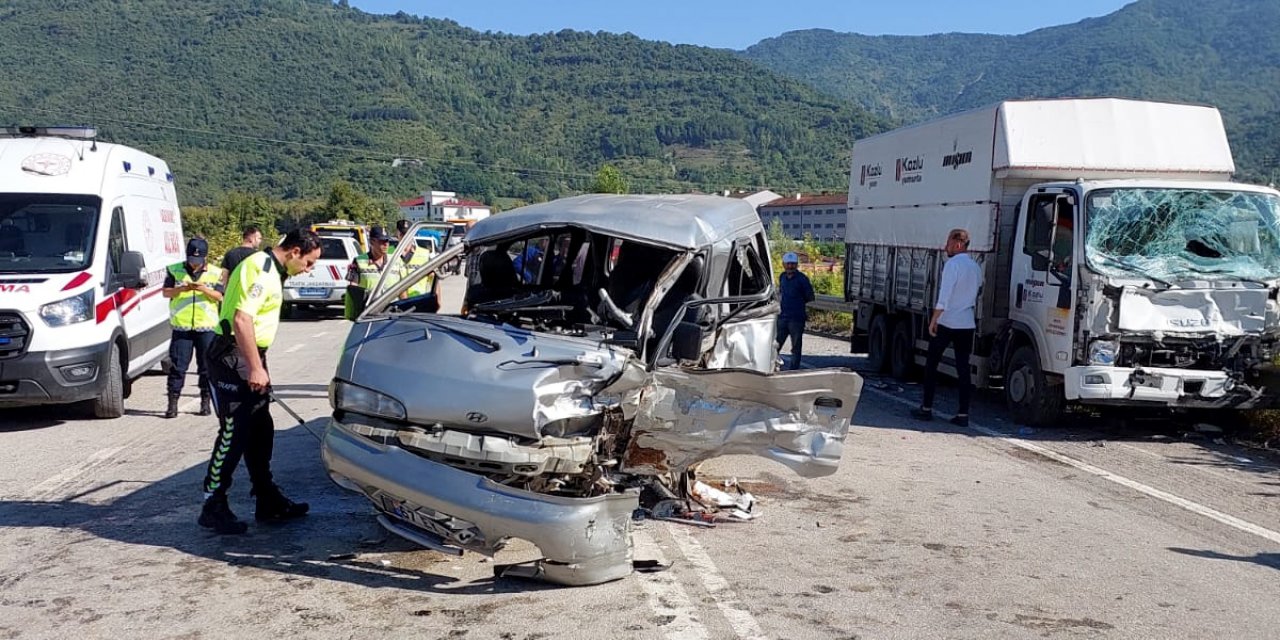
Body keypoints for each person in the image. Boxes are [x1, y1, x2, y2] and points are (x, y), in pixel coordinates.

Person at [197, 229, 322, 535]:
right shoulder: (262, 269)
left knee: (260, 428)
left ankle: (266, 497)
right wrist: (254, 367)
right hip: (232, 356)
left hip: (250, 354)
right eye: (308, 262)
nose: (310, 269)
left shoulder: (272, 270)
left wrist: (258, 363)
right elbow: (241, 319)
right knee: (234, 431)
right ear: (293, 251)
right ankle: (212, 503)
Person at [912, 229, 982, 427]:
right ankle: (963, 414)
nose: (946, 247)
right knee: (963, 368)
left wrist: (934, 319)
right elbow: (978, 290)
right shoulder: (976, 267)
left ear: (958, 243)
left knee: (932, 364)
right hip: (967, 323)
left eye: (949, 243)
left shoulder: (952, 265)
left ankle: (926, 408)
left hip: (948, 321)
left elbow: (944, 296)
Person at [161, 238, 224, 419]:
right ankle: (172, 404)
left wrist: (204, 289)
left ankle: (205, 402)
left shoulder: (216, 272)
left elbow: (220, 296)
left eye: (198, 261)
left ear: (205, 258)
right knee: (177, 366)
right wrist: (181, 289)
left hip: (206, 327)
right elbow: (166, 292)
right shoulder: (175, 269)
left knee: (205, 367)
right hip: (182, 327)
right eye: (191, 259)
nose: (194, 264)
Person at [343, 225, 394, 320]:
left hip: (393, 313)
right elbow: (353, 289)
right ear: (372, 242)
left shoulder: (395, 260)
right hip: (369, 313)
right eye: (382, 241)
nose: (386, 244)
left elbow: (403, 288)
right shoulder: (359, 261)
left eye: (387, 241)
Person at [775, 252, 815, 371]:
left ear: (796, 265)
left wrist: (797, 303)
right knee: (775, 345)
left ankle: (794, 370)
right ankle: (770, 366)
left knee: (796, 347)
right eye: (788, 264)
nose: (790, 266)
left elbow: (810, 296)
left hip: (796, 319)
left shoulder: (802, 279)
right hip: (783, 317)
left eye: (793, 264)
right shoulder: (782, 277)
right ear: (783, 264)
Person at [219, 225, 263, 289]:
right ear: (252, 239)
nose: (260, 241)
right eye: (259, 238)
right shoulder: (258, 256)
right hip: (248, 294)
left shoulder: (230, 253)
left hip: (232, 293)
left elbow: (223, 278)